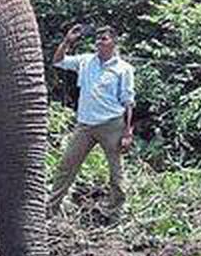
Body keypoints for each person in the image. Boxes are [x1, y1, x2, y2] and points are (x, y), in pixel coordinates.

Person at [48, 24, 135, 220]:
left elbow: (129, 102)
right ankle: (51, 208)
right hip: (85, 125)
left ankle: (114, 213)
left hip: (112, 124)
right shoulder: (86, 61)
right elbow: (58, 61)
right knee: (66, 165)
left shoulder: (124, 69)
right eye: (97, 38)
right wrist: (68, 41)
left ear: (114, 42)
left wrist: (128, 132)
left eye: (104, 38)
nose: (99, 42)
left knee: (116, 172)